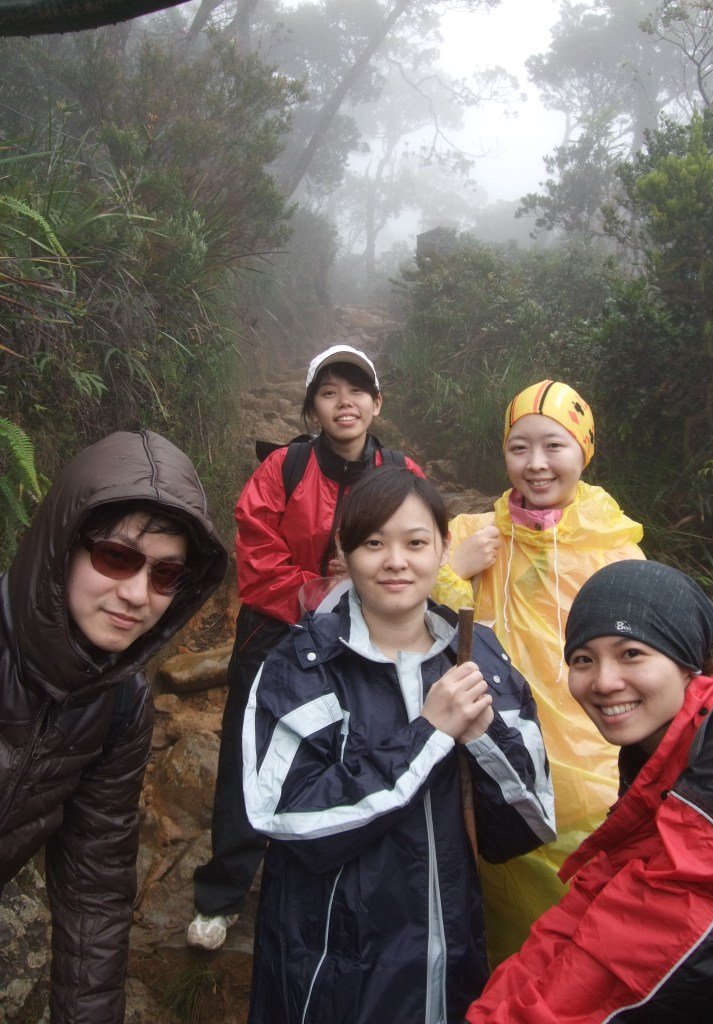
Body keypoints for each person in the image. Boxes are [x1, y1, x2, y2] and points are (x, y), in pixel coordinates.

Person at [242, 465, 555, 1024]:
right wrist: (429, 734)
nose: (395, 561)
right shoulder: (303, 664)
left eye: (415, 542)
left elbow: (526, 825)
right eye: (373, 542)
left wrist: (482, 736)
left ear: (442, 548)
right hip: (332, 968)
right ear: (343, 550)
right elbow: (288, 815)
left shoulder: (478, 655)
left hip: (449, 953)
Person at [187, 344, 423, 950]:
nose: (344, 403)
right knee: (251, 750)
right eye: (328, 392)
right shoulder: (285, 470)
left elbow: (423, 548)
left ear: (377, 402)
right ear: (312, 407)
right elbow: (257, 557)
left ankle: (333, 870)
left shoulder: (402, 473)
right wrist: (326, 589)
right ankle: (224, 890)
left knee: (354, 752)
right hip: (277, 629)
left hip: (367, 636)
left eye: (356, 391)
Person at [466, 558, 713, 1024]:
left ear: (686, 662)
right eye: (584, 659)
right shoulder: (663, 760)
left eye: (632, 653)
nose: (604, 682)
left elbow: (636, 954)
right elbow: (586, 914)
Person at [0, 429, 227, 1024]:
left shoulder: (121, 705)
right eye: (117, 557)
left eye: (165, 575)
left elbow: (93, 891)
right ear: (63, 545)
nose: (136, 595)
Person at [433, 379, 644, 960]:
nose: (536, 464)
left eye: (554, 446)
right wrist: (451, 571)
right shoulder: (471, 535)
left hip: (594, 776)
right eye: (519, 447)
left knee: (585, 939)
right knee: (504, 931)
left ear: (585, 450)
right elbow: (413, 623)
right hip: (495, 760)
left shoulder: (615, 550)